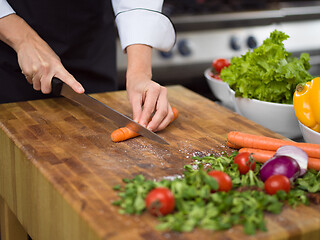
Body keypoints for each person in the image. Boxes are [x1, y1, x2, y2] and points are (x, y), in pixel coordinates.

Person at [0, 0, 176, 132]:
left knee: (99, 136)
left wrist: (140, 73)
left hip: (91, 40)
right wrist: (23, 40)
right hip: (10, 43)